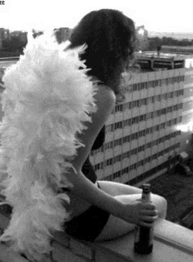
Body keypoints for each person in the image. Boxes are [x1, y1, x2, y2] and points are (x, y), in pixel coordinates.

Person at [63, 9, 167, 242]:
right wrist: (125, 212)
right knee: (158, 204)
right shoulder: (100, 94)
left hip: (53, 203)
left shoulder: (60, 81)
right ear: (118, 50)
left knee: (145, 196)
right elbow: (67, 174)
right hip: (81, 215)